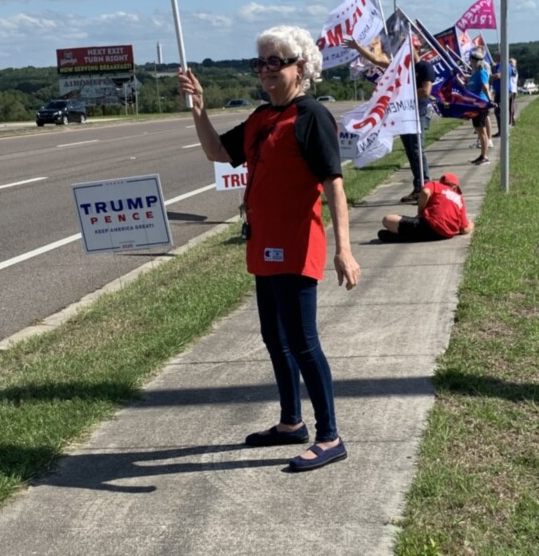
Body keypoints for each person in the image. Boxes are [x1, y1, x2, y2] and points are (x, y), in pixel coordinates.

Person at [177, 25, 360, 472]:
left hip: (298, 245)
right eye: (260, 63)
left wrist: (345, 249)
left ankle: (330, 435)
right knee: (273, 338)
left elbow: (334, 185)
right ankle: (290, 422)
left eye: (275, 62)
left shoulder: (311, 116)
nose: (265, 71)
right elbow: (218, 152)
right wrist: (199, 109)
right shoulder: (262, 118)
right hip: (264, 246)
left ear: (301, 67)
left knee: (302, 341)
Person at [345, 36, 435, 203]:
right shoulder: (401, 66)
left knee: (417, 149)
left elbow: (426, 92)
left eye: (408, 47)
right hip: (403, 114)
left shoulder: (424, 67)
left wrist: (404, 92)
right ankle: (418, 187)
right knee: (410, 150)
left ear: (416, 48)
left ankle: (425, 187)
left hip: (418, 114)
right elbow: (377, 60)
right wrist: (358, 47)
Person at [378, 172, 473, 242]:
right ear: (455, 187)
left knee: (387, 219)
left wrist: (420, 212)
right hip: (445, 234)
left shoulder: (435, 185)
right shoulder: (460, 199)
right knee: (415, 230)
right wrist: (472, 224)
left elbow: (425, 192)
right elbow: (464, 229)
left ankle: (404, 236)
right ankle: (407, 236)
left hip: (428, 225)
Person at [466, 48, 492, 164]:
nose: (469, 62)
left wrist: (490, 100)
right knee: (479, 130)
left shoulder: (482, 73)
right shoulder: (474, 74)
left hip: (481, 104)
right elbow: (468, 86)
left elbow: (485, 87)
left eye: (470, 60)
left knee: (482, 131)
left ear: (475, 61)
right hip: (475, 105)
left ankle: (485, 156)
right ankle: (482, 154)